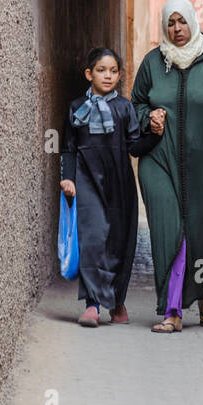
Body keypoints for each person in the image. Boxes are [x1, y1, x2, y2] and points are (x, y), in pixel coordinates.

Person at [131, 0, 203, 333]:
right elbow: (136, 101)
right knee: (169, 231)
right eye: (170, 23)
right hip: (159, 161)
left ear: (193, 22)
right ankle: (172, 310)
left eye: (182, 22)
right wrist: (146, 116)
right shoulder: (154, 62)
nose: (177, 29)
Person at [60, 47, 165, 327]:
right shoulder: (75, 108)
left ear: (119, 75)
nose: (108, 76)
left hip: (119, 184)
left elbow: (134, 146)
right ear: (89, 74)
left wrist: (154, 135)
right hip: (87, 181)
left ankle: (117, 301)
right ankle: (92, 304)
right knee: (93, 239)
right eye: (101, 70)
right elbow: (68, 148)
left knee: (119, 242)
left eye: (113, 71)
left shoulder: (124, 108)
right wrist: (68, 177)